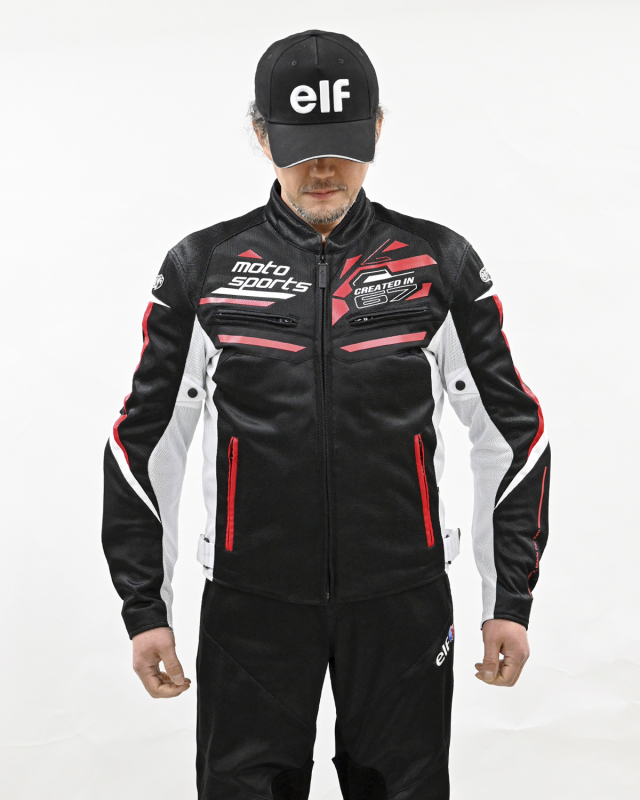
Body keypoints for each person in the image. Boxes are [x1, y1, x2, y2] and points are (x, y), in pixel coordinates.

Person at [102, 29, 551, 800]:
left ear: (376, 129)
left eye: (343, 145)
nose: (321, 170)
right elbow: (144, 446)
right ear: (260, 136)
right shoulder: (201, 269)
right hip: (251, 608)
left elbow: (513, 434)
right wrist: (146, 608)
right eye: (299, 147)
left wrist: (507, 599)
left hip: (403, 603)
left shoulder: (438, 263)